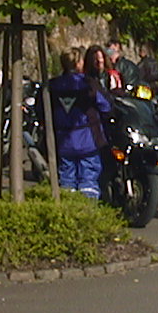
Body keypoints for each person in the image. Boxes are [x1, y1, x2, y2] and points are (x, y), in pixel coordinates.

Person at [48, 47, 111, 199]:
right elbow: (106, 106)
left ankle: (68, 208)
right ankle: (87, 208)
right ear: (78, 64)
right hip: (88, 139)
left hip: (63, 140)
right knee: (89, 181)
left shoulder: (53, 85)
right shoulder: (88, 83)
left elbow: (41, 109)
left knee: (66, 180)